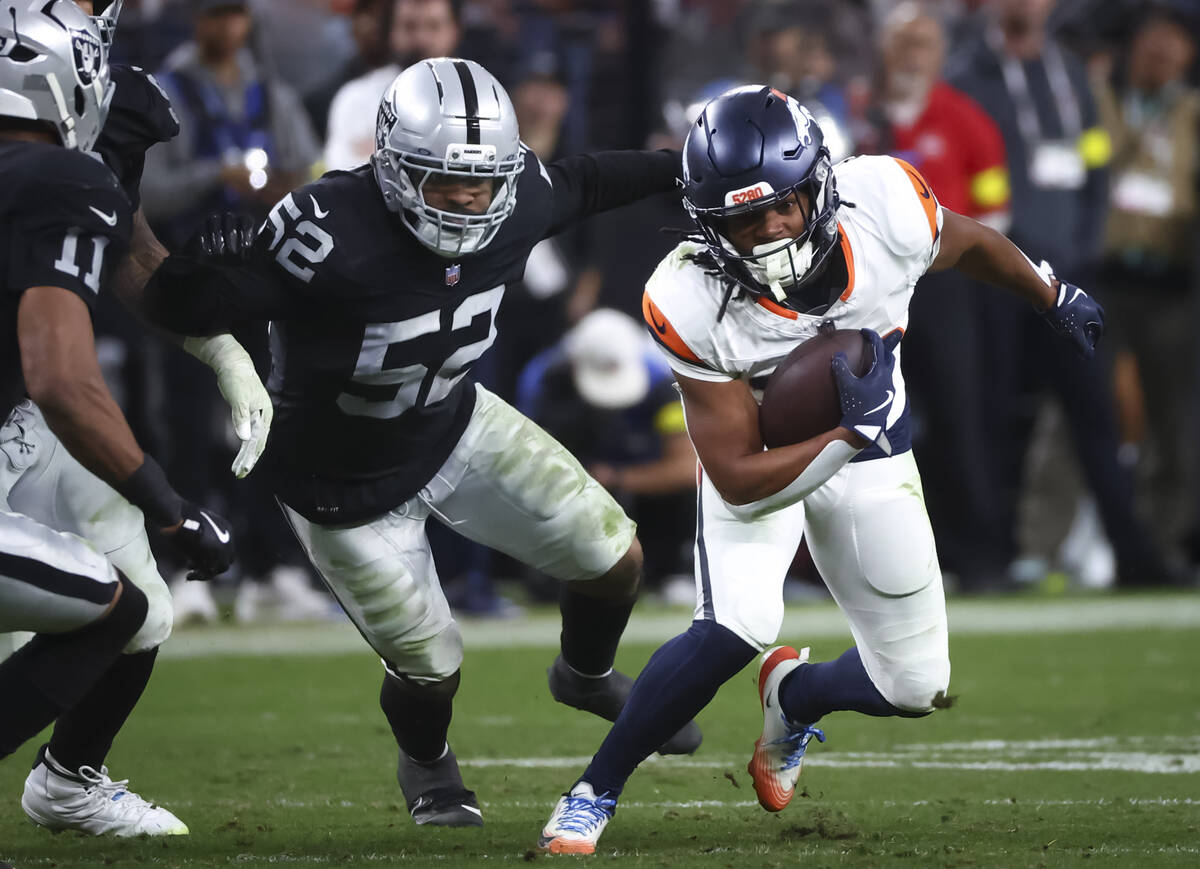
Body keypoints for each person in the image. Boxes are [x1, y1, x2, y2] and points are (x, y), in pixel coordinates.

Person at [536, 84, 1105, 854]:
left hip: (871, 448)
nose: (770, 229)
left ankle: (796, 695)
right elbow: (737, 475)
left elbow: (967, 242)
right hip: (766, 457)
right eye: (744, 218)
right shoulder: (687, 293)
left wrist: (1049, 291)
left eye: (783, 205)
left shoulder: (886, 206)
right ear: (708, 223)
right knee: (735, 625)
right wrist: (845, 430)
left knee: (916, 685)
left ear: (821, 186)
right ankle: (594, 789)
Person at [140, 58, 704, 829]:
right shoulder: (325, 229)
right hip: (339, 481)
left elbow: (590, 180)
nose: (469, 197)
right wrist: (198, 266)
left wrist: (688, 167)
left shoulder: (519, 197)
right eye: (445, 181)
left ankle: (585, 673)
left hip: (453, 423)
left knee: (617, 557)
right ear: (393, 167)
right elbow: (182, 308)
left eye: (482, 180)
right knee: (431, 665)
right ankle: (428, 759)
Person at [0, 0, 236, 836]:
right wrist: (173, 509)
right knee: (120, 607)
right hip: (27, 426)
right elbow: (63, 380)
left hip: (19, 435)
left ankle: (70, 780)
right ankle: (66, 780)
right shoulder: (61, 176)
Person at [949, 0, 1173, 587]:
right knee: (994, 416)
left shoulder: (1071, 74)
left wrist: (1085, 246)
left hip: (1070, 274)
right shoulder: (969, 75)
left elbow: (1095, 166)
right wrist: (1006, 258)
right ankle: (990, 558)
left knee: (1097, 414)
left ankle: (1134, 557)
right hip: (998, 278)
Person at [861, 3, 1014, 591]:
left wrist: (949, 256)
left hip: (944, 287)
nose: (913, 56)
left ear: (941, 54)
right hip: (871, 288)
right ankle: (895, 558)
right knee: (875, 419)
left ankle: (978, 554)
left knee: (957, 413)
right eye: (903, 43)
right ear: (883, 50)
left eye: (923, 44)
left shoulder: (965, 119)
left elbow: (995, 209)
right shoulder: (859, 115)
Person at [1093, 7, 1198, 566]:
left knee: (1174, 418)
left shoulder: (1192, 112)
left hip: (1169, 279)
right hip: (1100, 273)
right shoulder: (1098, 98)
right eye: (1154, 38)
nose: (1162, 50)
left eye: (1175, 41)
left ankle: (1162, 548)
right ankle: (1043, 547)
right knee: (1077, 409)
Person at [518, 310, 698, 591]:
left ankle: (672, 569)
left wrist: (617, 478)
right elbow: (526, 463)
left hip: (643, 484)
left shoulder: (665, 380)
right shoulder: (544, 380)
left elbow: (687, 469)